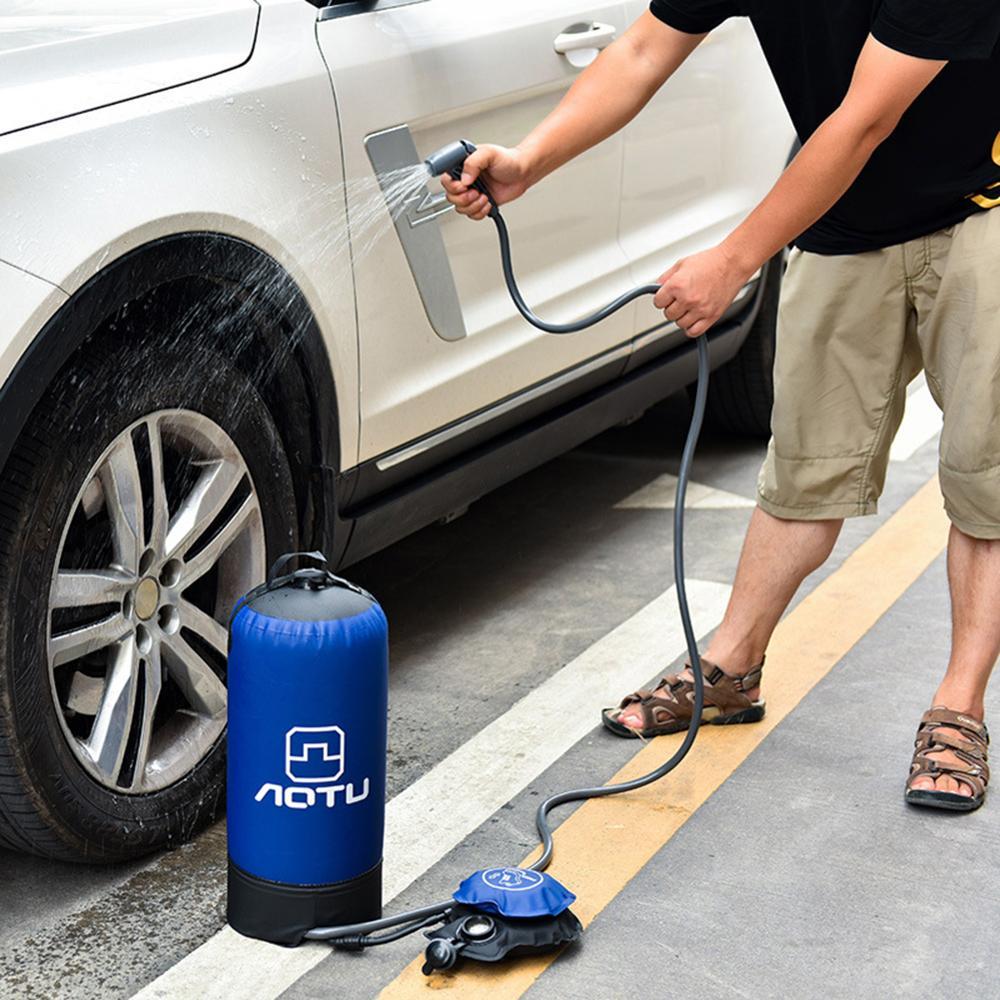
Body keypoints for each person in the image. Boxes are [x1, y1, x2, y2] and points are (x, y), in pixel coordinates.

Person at [441, 1, 1000, 812]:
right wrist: (531, 160)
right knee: (804, 468)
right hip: (846, 217)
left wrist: (734, 260)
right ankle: (732, 670)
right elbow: (640, 52)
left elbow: (864, 120)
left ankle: (959, 707)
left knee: (985, 476)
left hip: (981, 207)